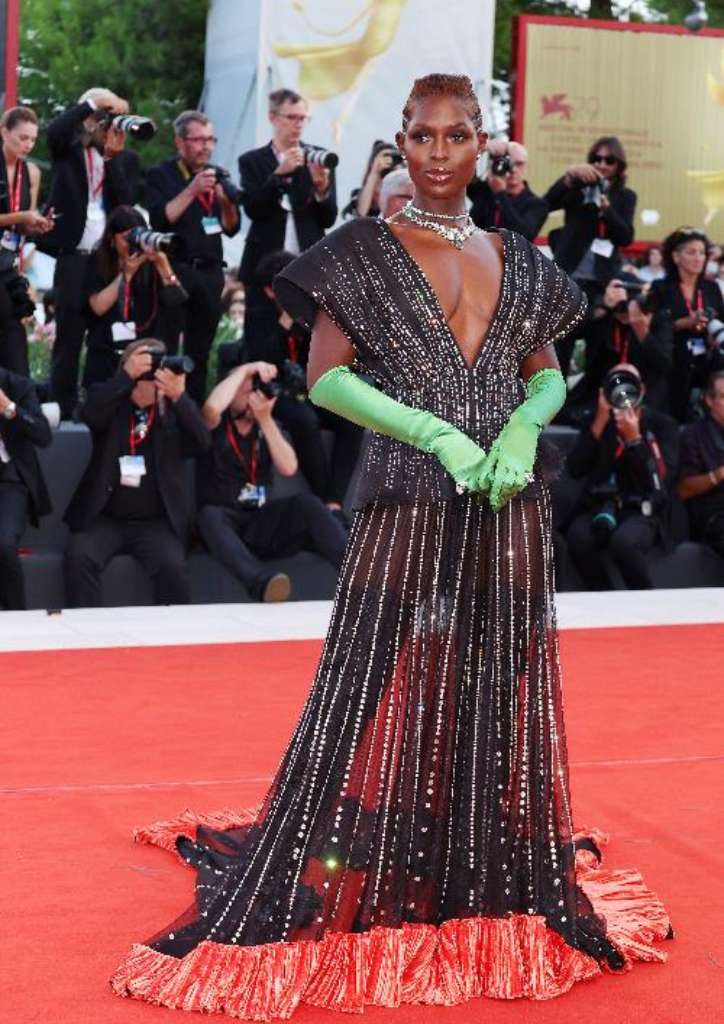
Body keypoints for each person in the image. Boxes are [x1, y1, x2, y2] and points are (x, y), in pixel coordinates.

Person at [112, 74, 670, 1017]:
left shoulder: (517, 254)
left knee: (498, 673)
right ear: (401, 143)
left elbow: (547, 374)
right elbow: (326, 379)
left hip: (508, 495)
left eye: (458, 135)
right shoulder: (363, 249)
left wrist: (524, 428)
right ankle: (301, 848)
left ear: (483, 142)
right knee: (363, 669)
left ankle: (474, 854)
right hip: (410, 488)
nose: (440, 153)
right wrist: (436, 434)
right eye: (422, 136)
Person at [64, 339, 210, 608]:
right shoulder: (112, 400)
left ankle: (172, 630)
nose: (153, 371)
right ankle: (87, 629)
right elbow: (90, 414)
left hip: (154, 523)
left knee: (173, 567)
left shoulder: (173, 411)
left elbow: (202, 443)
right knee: (79, 556)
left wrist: (179, 397)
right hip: (106, 518)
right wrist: (124, 378)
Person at [197, 361, 349, 602]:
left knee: (307, 504)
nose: (253, 397)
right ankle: (262, 584)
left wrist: (266, 419)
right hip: (224, 521)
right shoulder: (216, 424)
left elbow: (289, 467)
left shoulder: (265, 427)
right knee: (209, 516)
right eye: (246, 391)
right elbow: (211, 408)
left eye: (256, 391)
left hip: (259, 520)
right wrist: (245, 369)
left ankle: (362, 575)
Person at [40, 87, 140, 419]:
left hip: (105, 261)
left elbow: (125, 205)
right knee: (68, 339)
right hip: (73, 256)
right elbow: (55, 130)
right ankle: (62, 412)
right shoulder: (68, 150)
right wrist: (94, 103)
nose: (113, 127)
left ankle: (97, 410)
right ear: (92, 119)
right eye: (107, 119)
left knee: (104, 339)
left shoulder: (124, 158)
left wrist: (112, 159)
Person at [244, 249, 363, 510]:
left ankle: (334, 501)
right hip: (274, 392)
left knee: (352, 418)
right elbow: (260, 360)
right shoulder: (257, 315)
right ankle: (324, 499)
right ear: (270, 291)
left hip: (309, 388)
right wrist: (284, 321)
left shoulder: (311, 313)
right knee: (304, 420)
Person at [145, 110, 240, 405]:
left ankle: (193, 411)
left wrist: (226, 203)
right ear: (180, 142)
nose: (205, 146)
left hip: (210, 271)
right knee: (168, 344)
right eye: (198, 140)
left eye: (210, 140)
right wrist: (192, 189)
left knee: (200, 350)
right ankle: (162, 410)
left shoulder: (217, 174)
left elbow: (231, 228)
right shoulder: (162, 174)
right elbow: (161, 219)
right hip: (176, 269)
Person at [565, 364, 680, 590]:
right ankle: (605, 597)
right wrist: (599, 423)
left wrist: (635, 441)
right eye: (616, 384)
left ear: (642, 390)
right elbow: (575, 469)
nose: (623, 391)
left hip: (644, 507)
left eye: (629, 384)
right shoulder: (597, 422)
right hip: (601, 505)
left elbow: (660, 482)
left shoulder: (663, 425)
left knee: (623, 542)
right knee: (578, 537)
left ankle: (645, 599)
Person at [238, 88, 337, 345]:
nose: (298, 124)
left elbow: (328, 218)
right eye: (291, 117)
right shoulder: (252, 161)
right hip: (264, 263)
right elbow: (254, 209)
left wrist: (322, 189)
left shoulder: (318, 156)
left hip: (307, 262)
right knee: (261, 336)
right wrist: (278, 176)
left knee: (309, 338)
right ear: (273, 118)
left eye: (303, 118)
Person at [83, 206, 188, 388]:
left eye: (138, 237)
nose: (133, 244)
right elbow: (98, 306)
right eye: (127, 238)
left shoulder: (151, 264)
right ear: (112, 239)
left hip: (144, 355)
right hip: (106, 356)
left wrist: (162, 264)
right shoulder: (98, 261)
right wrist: (126, 274)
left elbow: (177, 303)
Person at [562, 274, 673, 422]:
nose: (625, 310)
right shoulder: (604, 316)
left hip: (645, 391)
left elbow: (664, 364)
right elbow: (567, 332)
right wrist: (602, 306)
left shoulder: (657, 317)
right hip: (601, 390)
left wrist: (642, 329)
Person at [544, 136, 636, 297]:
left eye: (609, 160)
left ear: (619, 164)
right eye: (596, 159)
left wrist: (607, 210)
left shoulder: (625, 196)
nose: (601, 164)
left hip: (603, 279)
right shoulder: (577, 187)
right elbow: (546, 204)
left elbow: (626, 238)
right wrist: (568, 178)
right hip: (568, 272)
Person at [649, 227, 724, 422]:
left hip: (706, 360)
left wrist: (712, 335)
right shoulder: (661, 288)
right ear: (676, 257)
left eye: (702, 253)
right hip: (672, 360)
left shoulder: (711, 288)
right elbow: (652, 327)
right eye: (691, 252)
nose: (698, 258)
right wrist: (683, 324)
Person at [0, 107, 54, 376]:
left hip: (9, 264)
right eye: (22, 138)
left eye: (32, 139)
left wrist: (38, 224)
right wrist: (21, 216)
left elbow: (23, 225)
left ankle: (18, 394)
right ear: (4, 132)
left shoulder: (31, 172)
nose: (28, 145)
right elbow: (18, 216)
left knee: (15, 340)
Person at [0, 365, 51, 609]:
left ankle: (16, 616)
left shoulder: (18, 386)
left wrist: (9, 408)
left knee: (4, 544)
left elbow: (44, 435)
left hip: (9, 481)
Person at [677, 369, 724, 558]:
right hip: (712, 517)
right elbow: (683, 489)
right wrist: (718, 475)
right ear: (709, 400)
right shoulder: (692, 435)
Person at [467, 138, 547, 240]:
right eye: (507, 164)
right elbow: (462, 174)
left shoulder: (536, 205)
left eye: (519, 164)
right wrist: (482, 148)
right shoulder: (484, 192)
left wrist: (500, 194)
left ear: (526, 166)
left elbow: (523, 235)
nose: (513, 169)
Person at [342, 139, 402, 218]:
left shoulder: (400, 193)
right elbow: (361, 213)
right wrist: (374, 171)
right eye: (385, 157)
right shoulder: (359, 194)